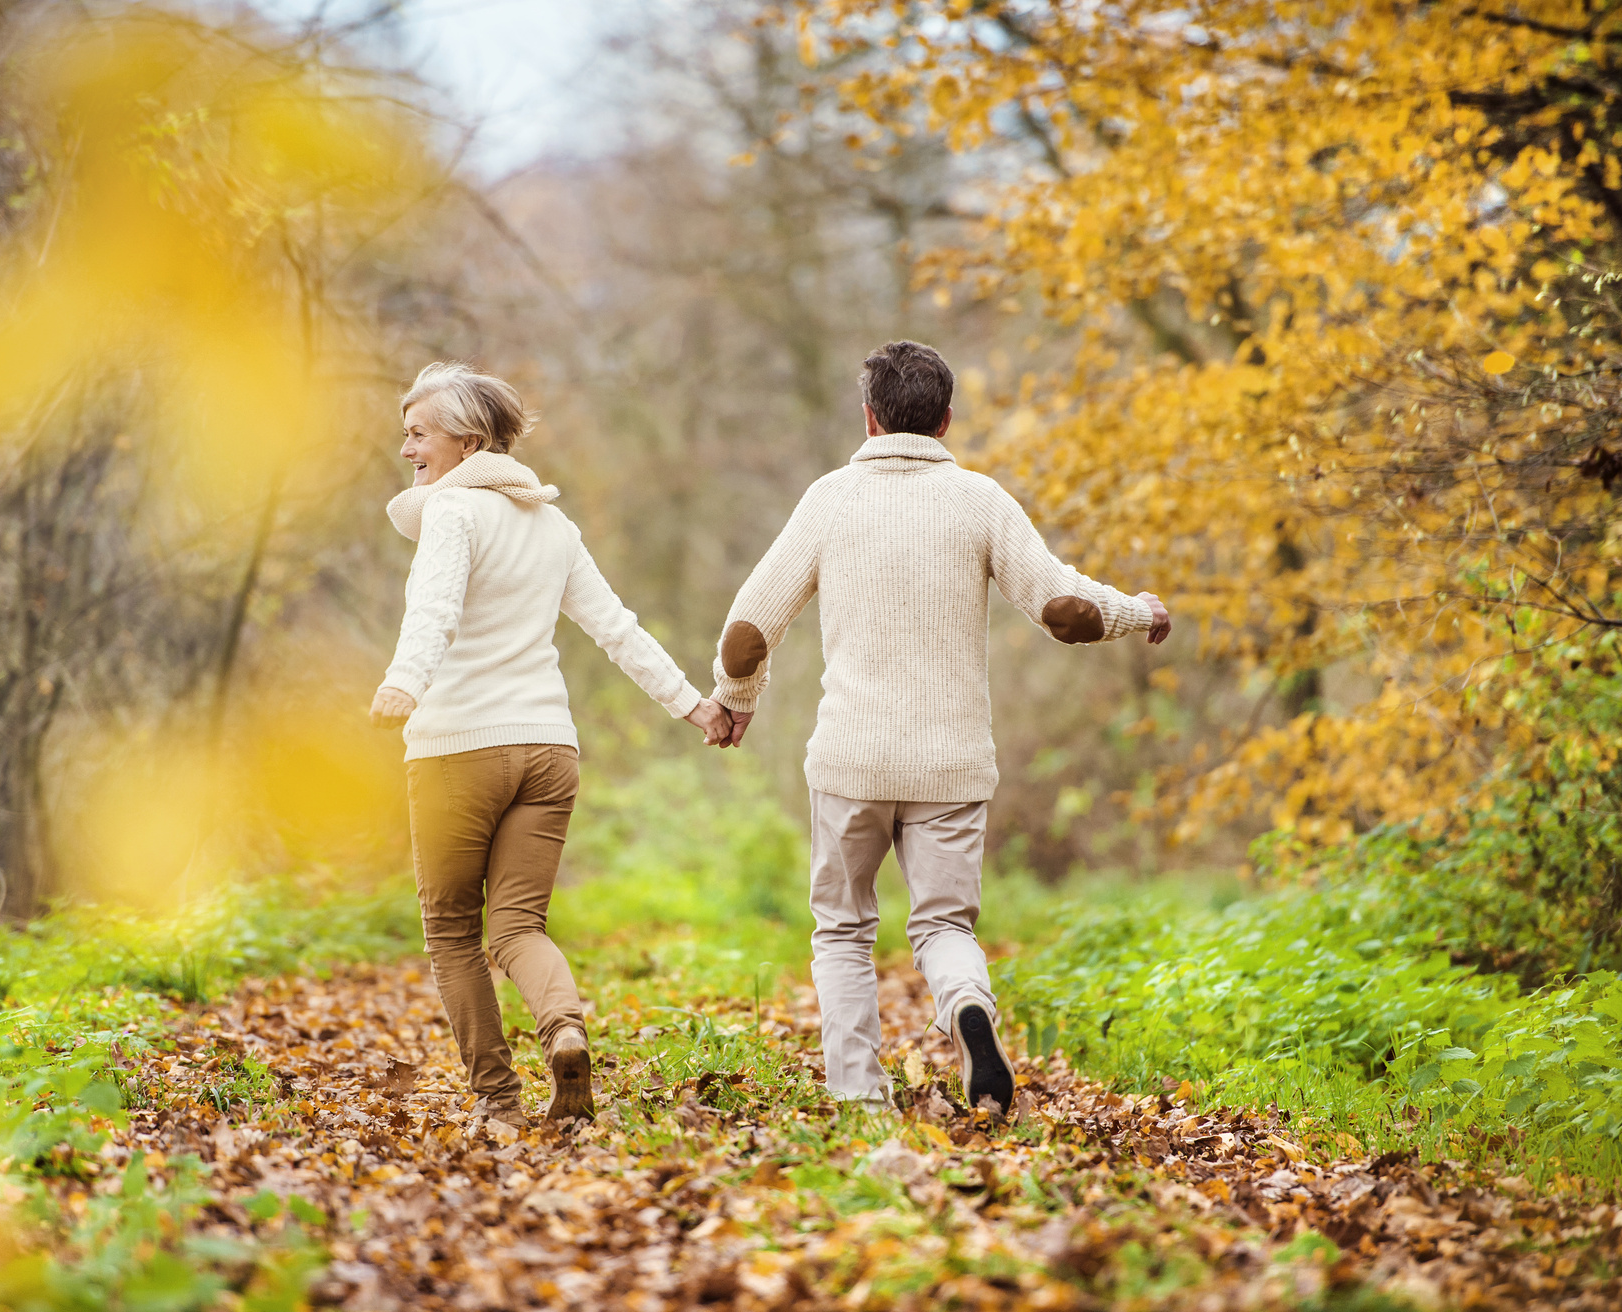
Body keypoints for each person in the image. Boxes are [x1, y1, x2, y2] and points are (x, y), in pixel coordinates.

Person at [708, 341, 1172, 1116]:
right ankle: (966, 1008)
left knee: (844, 931)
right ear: (947, 419)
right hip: (949, 765)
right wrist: (1140, 609)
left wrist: (737, 695)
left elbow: (750, 626)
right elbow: (1064, 610)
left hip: (851, 761)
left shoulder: (829, 499)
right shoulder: (980, 500)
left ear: (868, 416)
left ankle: (858, 1096)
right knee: (943, 923)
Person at [370, 362, 733, 1129]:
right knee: (519, 929)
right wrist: (693, 706)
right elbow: (616, 629)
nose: (406, 449)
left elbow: (432, 610)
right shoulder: (552, 525)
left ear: (466, 442)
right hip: (546, 751)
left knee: (451, 930)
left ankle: (498, 1102)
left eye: (418, 433)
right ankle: (563, 1027)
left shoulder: (453, 515)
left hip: (458, 749)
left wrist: (402, 685)